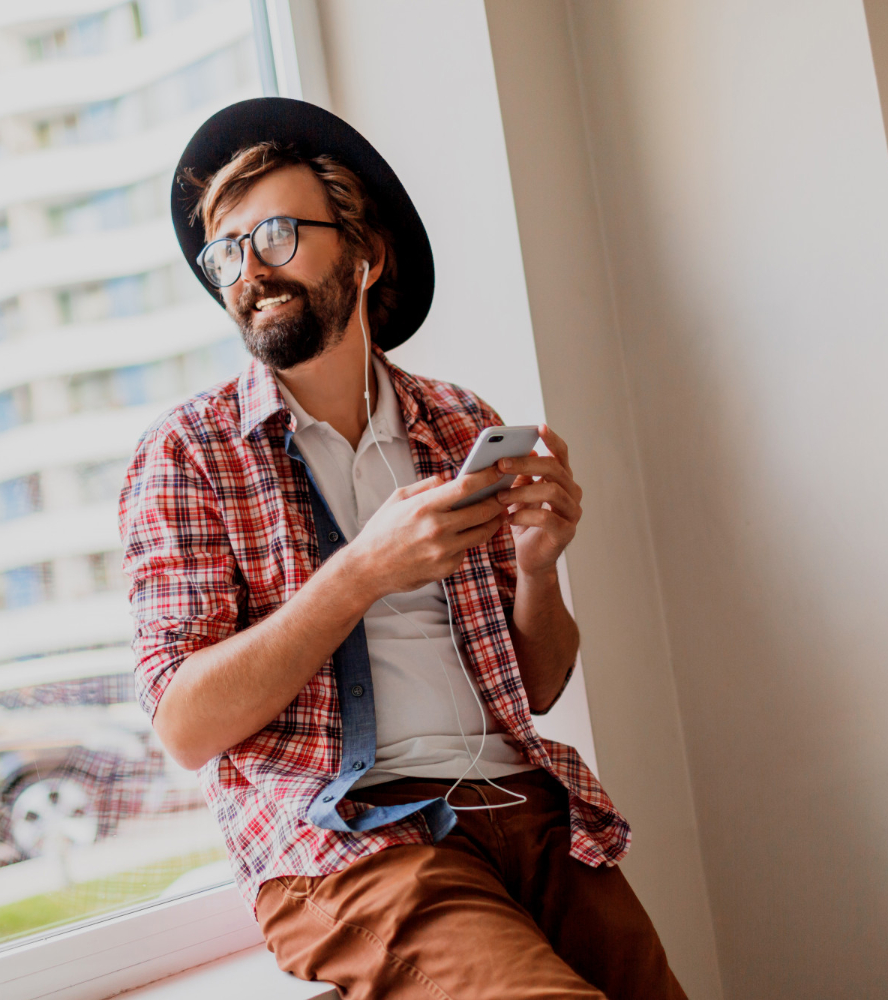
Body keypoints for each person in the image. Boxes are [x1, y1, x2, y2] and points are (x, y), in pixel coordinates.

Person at [119, 98, 686, 1000]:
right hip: (347, 840)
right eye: (225, 253)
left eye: (273, 235)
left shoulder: (460, 423)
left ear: (364, 253)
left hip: (522, 807)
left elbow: (534, 686)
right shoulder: (188, 454)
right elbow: (185, 725)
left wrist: (540, 568)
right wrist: (362, 572)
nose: (247, 273)